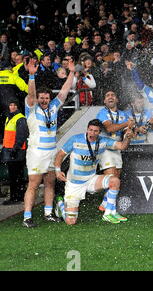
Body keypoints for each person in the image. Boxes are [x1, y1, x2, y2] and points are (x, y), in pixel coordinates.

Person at [22, 58, 75, 228]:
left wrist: (72, 73)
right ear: (37, 99)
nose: (44, 100)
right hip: (36, 152)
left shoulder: (53, 106)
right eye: (42, 98)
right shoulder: (32, 108)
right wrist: (32, 76)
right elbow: (31, 95)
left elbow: (65, 91)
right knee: (34, 184)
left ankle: (48, 213)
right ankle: (27, 217)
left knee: (50, 183)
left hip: (51, 151)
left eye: (46, 98)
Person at [54, 119, 133, 225]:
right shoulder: (75, 139)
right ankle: (60, 204)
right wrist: (58, 171)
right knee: (71, 222)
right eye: (90, 130)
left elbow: (122, 146)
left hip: (91, 179)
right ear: (87, 129)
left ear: (99, 132)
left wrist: (127, 138)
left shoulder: (103, 141)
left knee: (115, 181)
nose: (92, 133)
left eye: (95, 131)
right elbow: (60, 155)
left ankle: (109, 213)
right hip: (74, 184)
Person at [1, 98, 28, 205]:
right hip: (10, 151)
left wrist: (15, 149)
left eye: (14, 105)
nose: (12, 107)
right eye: (11, 105)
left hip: (16, 152)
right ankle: (16, 197)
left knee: (16, 176)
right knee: (15, 176)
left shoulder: (20, 118)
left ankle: (16, 198)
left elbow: (21, 136)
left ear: (18, 107)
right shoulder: (10, 117)